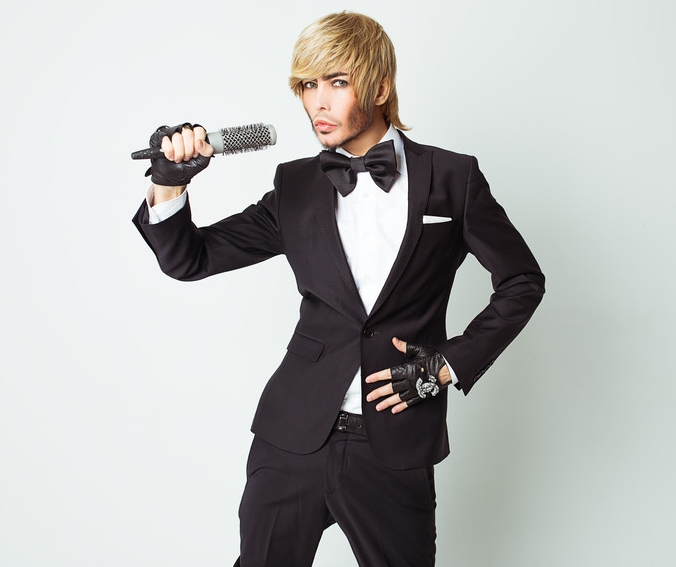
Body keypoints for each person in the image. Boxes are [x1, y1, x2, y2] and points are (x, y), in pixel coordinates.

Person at [132, 11, 544, 567]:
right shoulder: (296, 185)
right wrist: (169, 182)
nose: (318, 103)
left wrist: (445, 365)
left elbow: (521, 281)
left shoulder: (453, 178)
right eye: (307, 85)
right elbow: (190, 258)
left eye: (338, 82)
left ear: (380, 88)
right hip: (291, 437)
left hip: (395, 442)